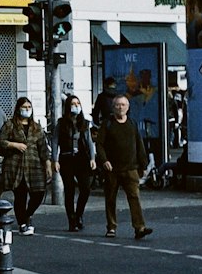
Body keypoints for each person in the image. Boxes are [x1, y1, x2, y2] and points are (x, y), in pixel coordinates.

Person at [95, 94, 152, 240]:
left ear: (128, 107)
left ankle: (140, 227)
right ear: (113, 107)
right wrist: (104, 160)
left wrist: (143, 164)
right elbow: (99, 144)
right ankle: (111, 227)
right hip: (112, 169)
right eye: (117, 105)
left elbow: (139, 144)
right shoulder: (107, 124)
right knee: (110, 199)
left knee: (135, 198)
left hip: (131, 168)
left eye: (123, 105)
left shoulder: (132, 123)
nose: (120, 108)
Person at [0, 96, 51, 235]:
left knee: (39, 193)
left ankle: (28, 215)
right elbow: (1, 141)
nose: (27, 110)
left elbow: (43, 147)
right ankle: (22, 223)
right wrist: (14, 144)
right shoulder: (10, 125)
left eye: (29, 107)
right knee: (20, 195)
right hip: (16, 165)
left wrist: (47, 163)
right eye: (24, 107)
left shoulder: (36, 127)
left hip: (34, 165)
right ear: (18, 109)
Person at [55, 93, 95, 232]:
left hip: (81, 158)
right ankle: (71, 220)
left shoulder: (84, 123)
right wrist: (55, 159)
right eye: (73, 104)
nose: (76, 107)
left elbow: (89, 141)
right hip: (66, 158)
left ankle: (79, 214)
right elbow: (55, 142)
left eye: (78, 104)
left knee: (85, 188)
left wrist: (92, 158)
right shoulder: (61, 123)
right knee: (69, 190)